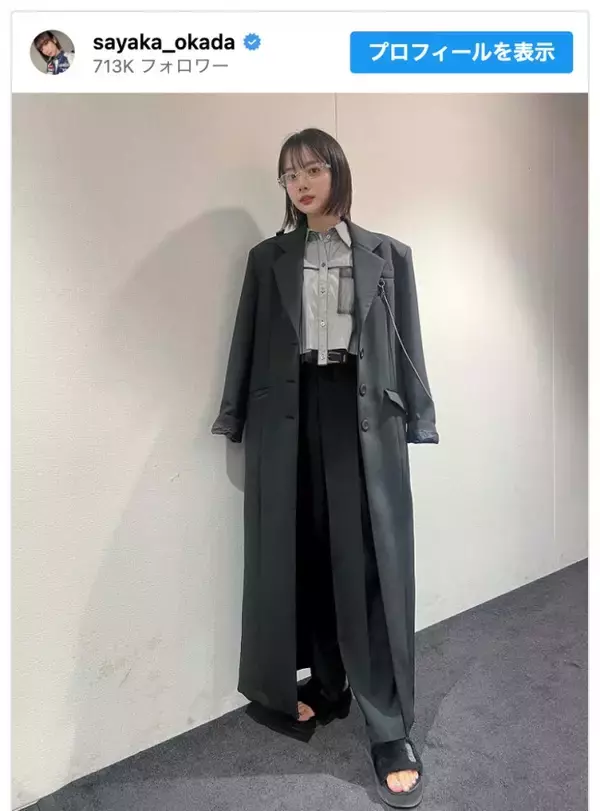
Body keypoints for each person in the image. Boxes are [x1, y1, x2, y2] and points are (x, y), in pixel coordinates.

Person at [212, 127, 439, 808]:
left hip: (361, 413)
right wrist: (233, 415)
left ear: (338, 171)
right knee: (303, 551)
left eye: (313, 169)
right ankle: (329, 682)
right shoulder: (268, 258)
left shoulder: (387, 255)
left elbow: (407, 341)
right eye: (290, 175)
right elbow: (247, 338)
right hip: (289, 415)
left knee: (367, 563)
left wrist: (421, 415)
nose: (302, 183)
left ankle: (389, 726)